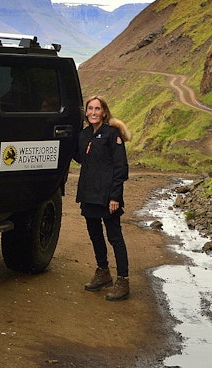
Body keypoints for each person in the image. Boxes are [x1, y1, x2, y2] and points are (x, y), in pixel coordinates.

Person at [73, 96, 131, 301]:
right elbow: (80, 158)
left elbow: (121, 167)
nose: (93, 112)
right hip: (89, 193)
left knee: (115, 237)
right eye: (90, 108)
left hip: (107, 196)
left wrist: (115, 196)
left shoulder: (112, 134)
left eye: (97, 108)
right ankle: (103, 272)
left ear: (104, 112)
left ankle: (123, 280)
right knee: (95, 234)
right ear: (86, 112)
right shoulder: (84, 134)